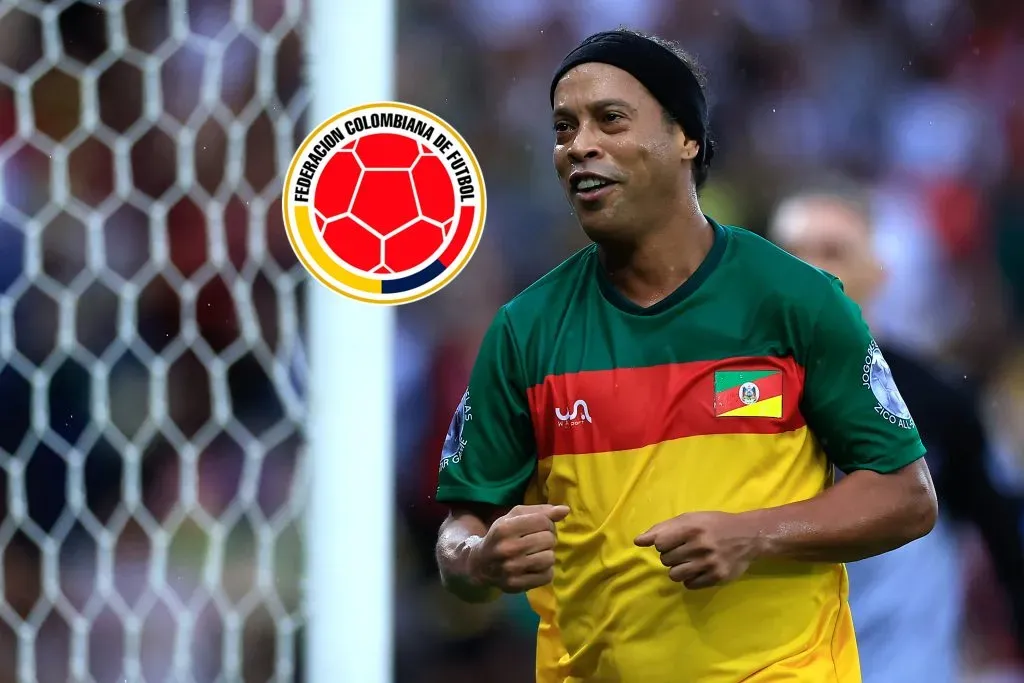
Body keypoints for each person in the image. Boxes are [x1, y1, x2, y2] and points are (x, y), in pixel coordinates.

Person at [433, 28, 938, 683]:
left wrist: (754, 533)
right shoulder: (525, 330)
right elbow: (459, 531)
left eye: (610, 119)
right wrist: (479, 558)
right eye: (563, 127)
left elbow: (907, 496)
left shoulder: (795, 299)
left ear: (685, 138)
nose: (579, 144)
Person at [769, 181, 1024, 683]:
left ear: (877, 273)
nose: (812, 270)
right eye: (793, 253)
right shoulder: (728, 399)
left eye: (834, 251)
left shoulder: (939, 402)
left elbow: (1002, 539)